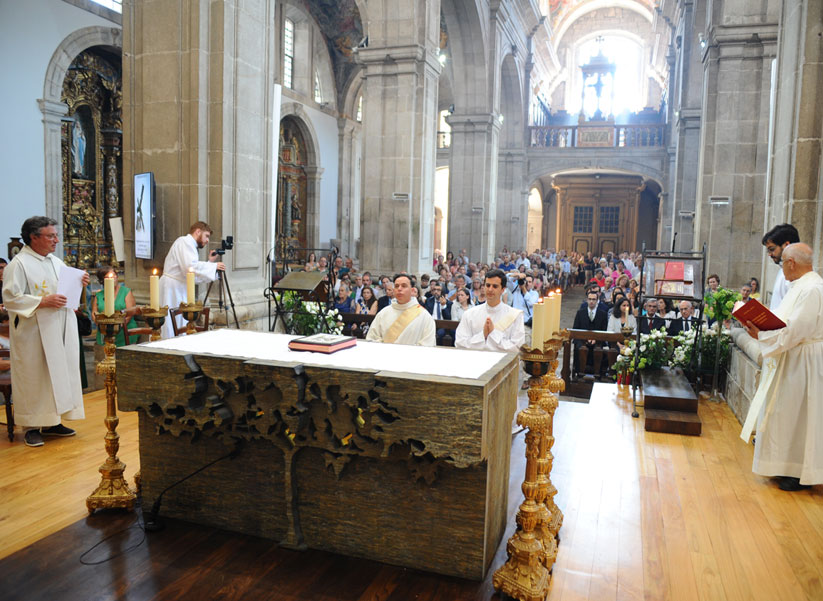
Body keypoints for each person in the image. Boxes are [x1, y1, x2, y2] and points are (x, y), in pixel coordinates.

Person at [738, 243, 823, 491]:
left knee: (799, 416)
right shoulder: (802, 286)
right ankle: (784, 466)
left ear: (792, 263)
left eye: (782, 262)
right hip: (792, 357)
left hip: (802, 360)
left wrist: (761, 336)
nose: (781, 267)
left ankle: (799, 472)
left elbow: (797, 329)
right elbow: (786, 320)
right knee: (785, 414)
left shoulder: (812, 289)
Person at [2, 216, 91, 447]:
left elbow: (64, 291)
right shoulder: (18, 264)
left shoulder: (55, 262)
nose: (56, 240)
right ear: (33, 237)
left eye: (55, 235)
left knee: (57, 374)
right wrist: (42, 301)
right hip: (33, 332)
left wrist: (79, 281)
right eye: (51, 235)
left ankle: (53, 421)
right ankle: (31, 426)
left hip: (58, 327)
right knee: (35, 377)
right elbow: (11, 299)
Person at [159, 221, 225, 338]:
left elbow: (191, 274)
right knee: (171, 325)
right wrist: (213, 266)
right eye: (207, 236)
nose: (207, 240)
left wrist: (210, 263)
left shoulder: (189, 245)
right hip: (172, 288)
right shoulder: (185, 242)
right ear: (198, 231)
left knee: (179, 324)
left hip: (178, 287)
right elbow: (190, 267)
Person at [455, 268, 525, 351]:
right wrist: (483, 335)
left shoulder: (515, 315)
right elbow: (459, 343)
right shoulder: (469, 314)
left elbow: (517, 347)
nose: (490, 289)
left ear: (503, 289)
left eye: (495, 286)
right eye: (488, 285)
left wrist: (492, 333)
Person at [366, 274, 435, 346]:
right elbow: (372, 338)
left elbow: (427, 345)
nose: (399, 289)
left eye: (404, 286)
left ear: (412, 290)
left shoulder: (424, 316)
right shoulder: (383, 313)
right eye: (396, 286)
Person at [91, 268, 140, 347]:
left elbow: (130, 312)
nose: (112, 279)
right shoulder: (99, 295)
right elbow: (94, 313)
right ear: (103, 280)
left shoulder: (126, 292)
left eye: (113, 276)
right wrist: (100, 324)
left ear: (117, 277)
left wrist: (118, 326)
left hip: (124, 329)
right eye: (108, 277)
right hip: (104, 330)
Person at [762, 223, 800, 310]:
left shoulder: (798, 273)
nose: (770, 254)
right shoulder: (782, 269)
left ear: (786, 245)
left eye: (772, 249)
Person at [572, 289, 609, 376]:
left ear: (597, 301)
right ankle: (580, 372)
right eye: (590, 299)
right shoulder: (580, 313)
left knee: (598, 349)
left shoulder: (602, 314)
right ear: (587, 300)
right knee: (580, 348)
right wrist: (585, 339)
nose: (591, 301)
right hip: (582, 340)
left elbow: (604, 330)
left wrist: (595, 339)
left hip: (598, 340)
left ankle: (597, 373)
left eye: (594, 299)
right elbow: (575, 329)